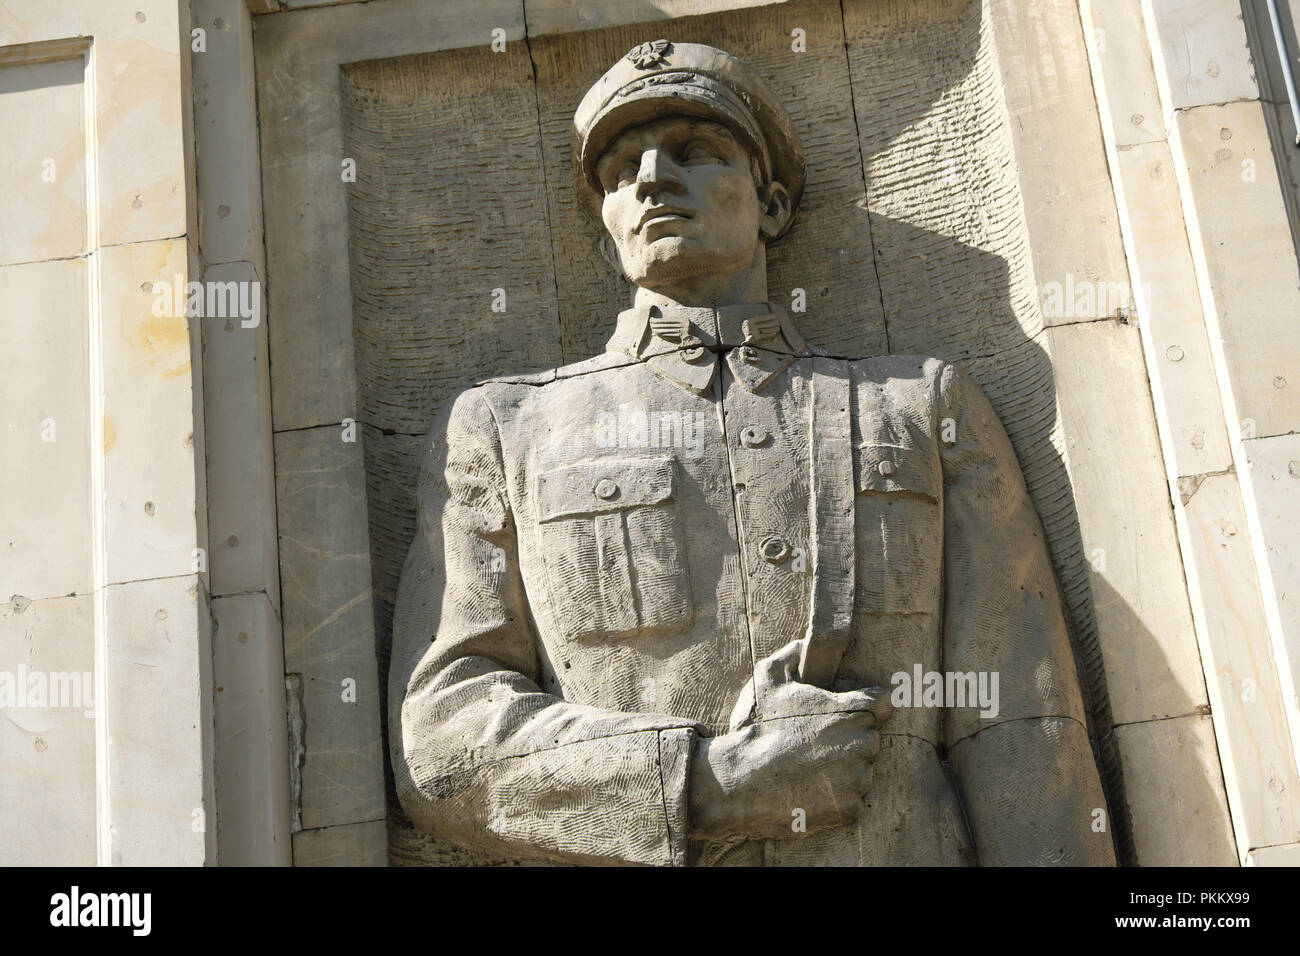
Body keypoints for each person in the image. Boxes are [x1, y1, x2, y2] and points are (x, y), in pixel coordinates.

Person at [389, 39, 1115, 866]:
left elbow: (1020, 723)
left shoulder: (920, 404)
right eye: (623, 171)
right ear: (606, 236)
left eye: (697, 153)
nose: (653, 179)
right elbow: (443, 739)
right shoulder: (504, 426)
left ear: (770, 206)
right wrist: (709, 783)